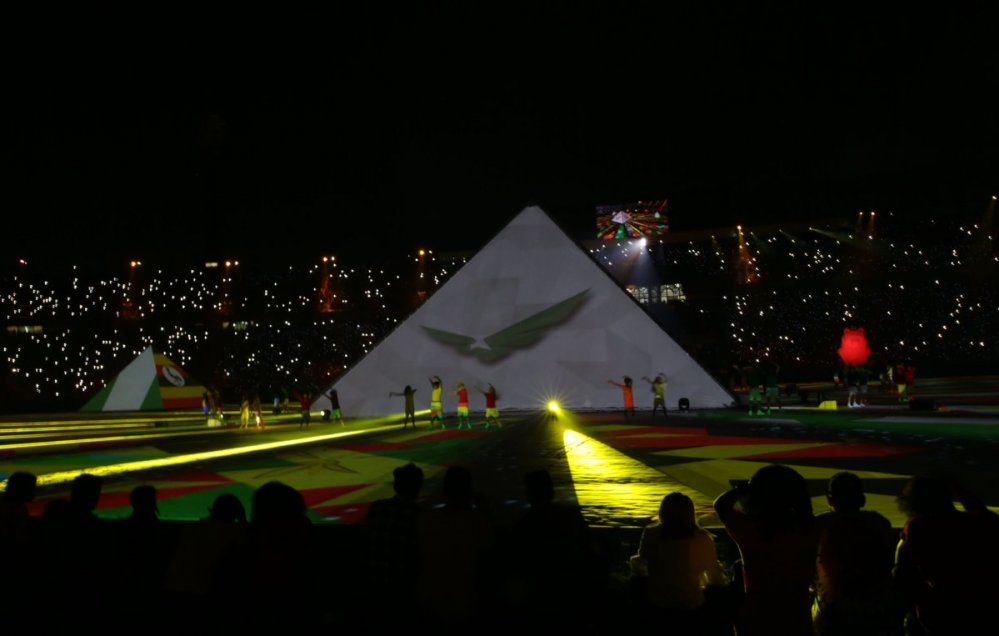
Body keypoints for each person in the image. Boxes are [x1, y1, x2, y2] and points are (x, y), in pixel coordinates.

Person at [714, 464, 819, 636]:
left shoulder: (749, 529)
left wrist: (744, 488)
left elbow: (721, 505)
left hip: (756, 619)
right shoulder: (809, 529)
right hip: (797, 620)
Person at [893, 475, 999, 634]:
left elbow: (903, 576)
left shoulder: (919, 528)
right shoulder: (977, 524)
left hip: (943, 614)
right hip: (985, 610)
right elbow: (986, 516)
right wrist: (957, 486)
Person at [812, 472, 899, 636]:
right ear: (862, 499)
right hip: (877, 610)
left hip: (832, 612)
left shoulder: (819, 525)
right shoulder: (879, 522)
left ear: (830, 499)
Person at [631, 492, 729, 633]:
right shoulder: (702, 538)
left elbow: (642, 563)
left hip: (658, 603)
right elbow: (714, 574)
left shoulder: (651, 534)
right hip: (691, 605)